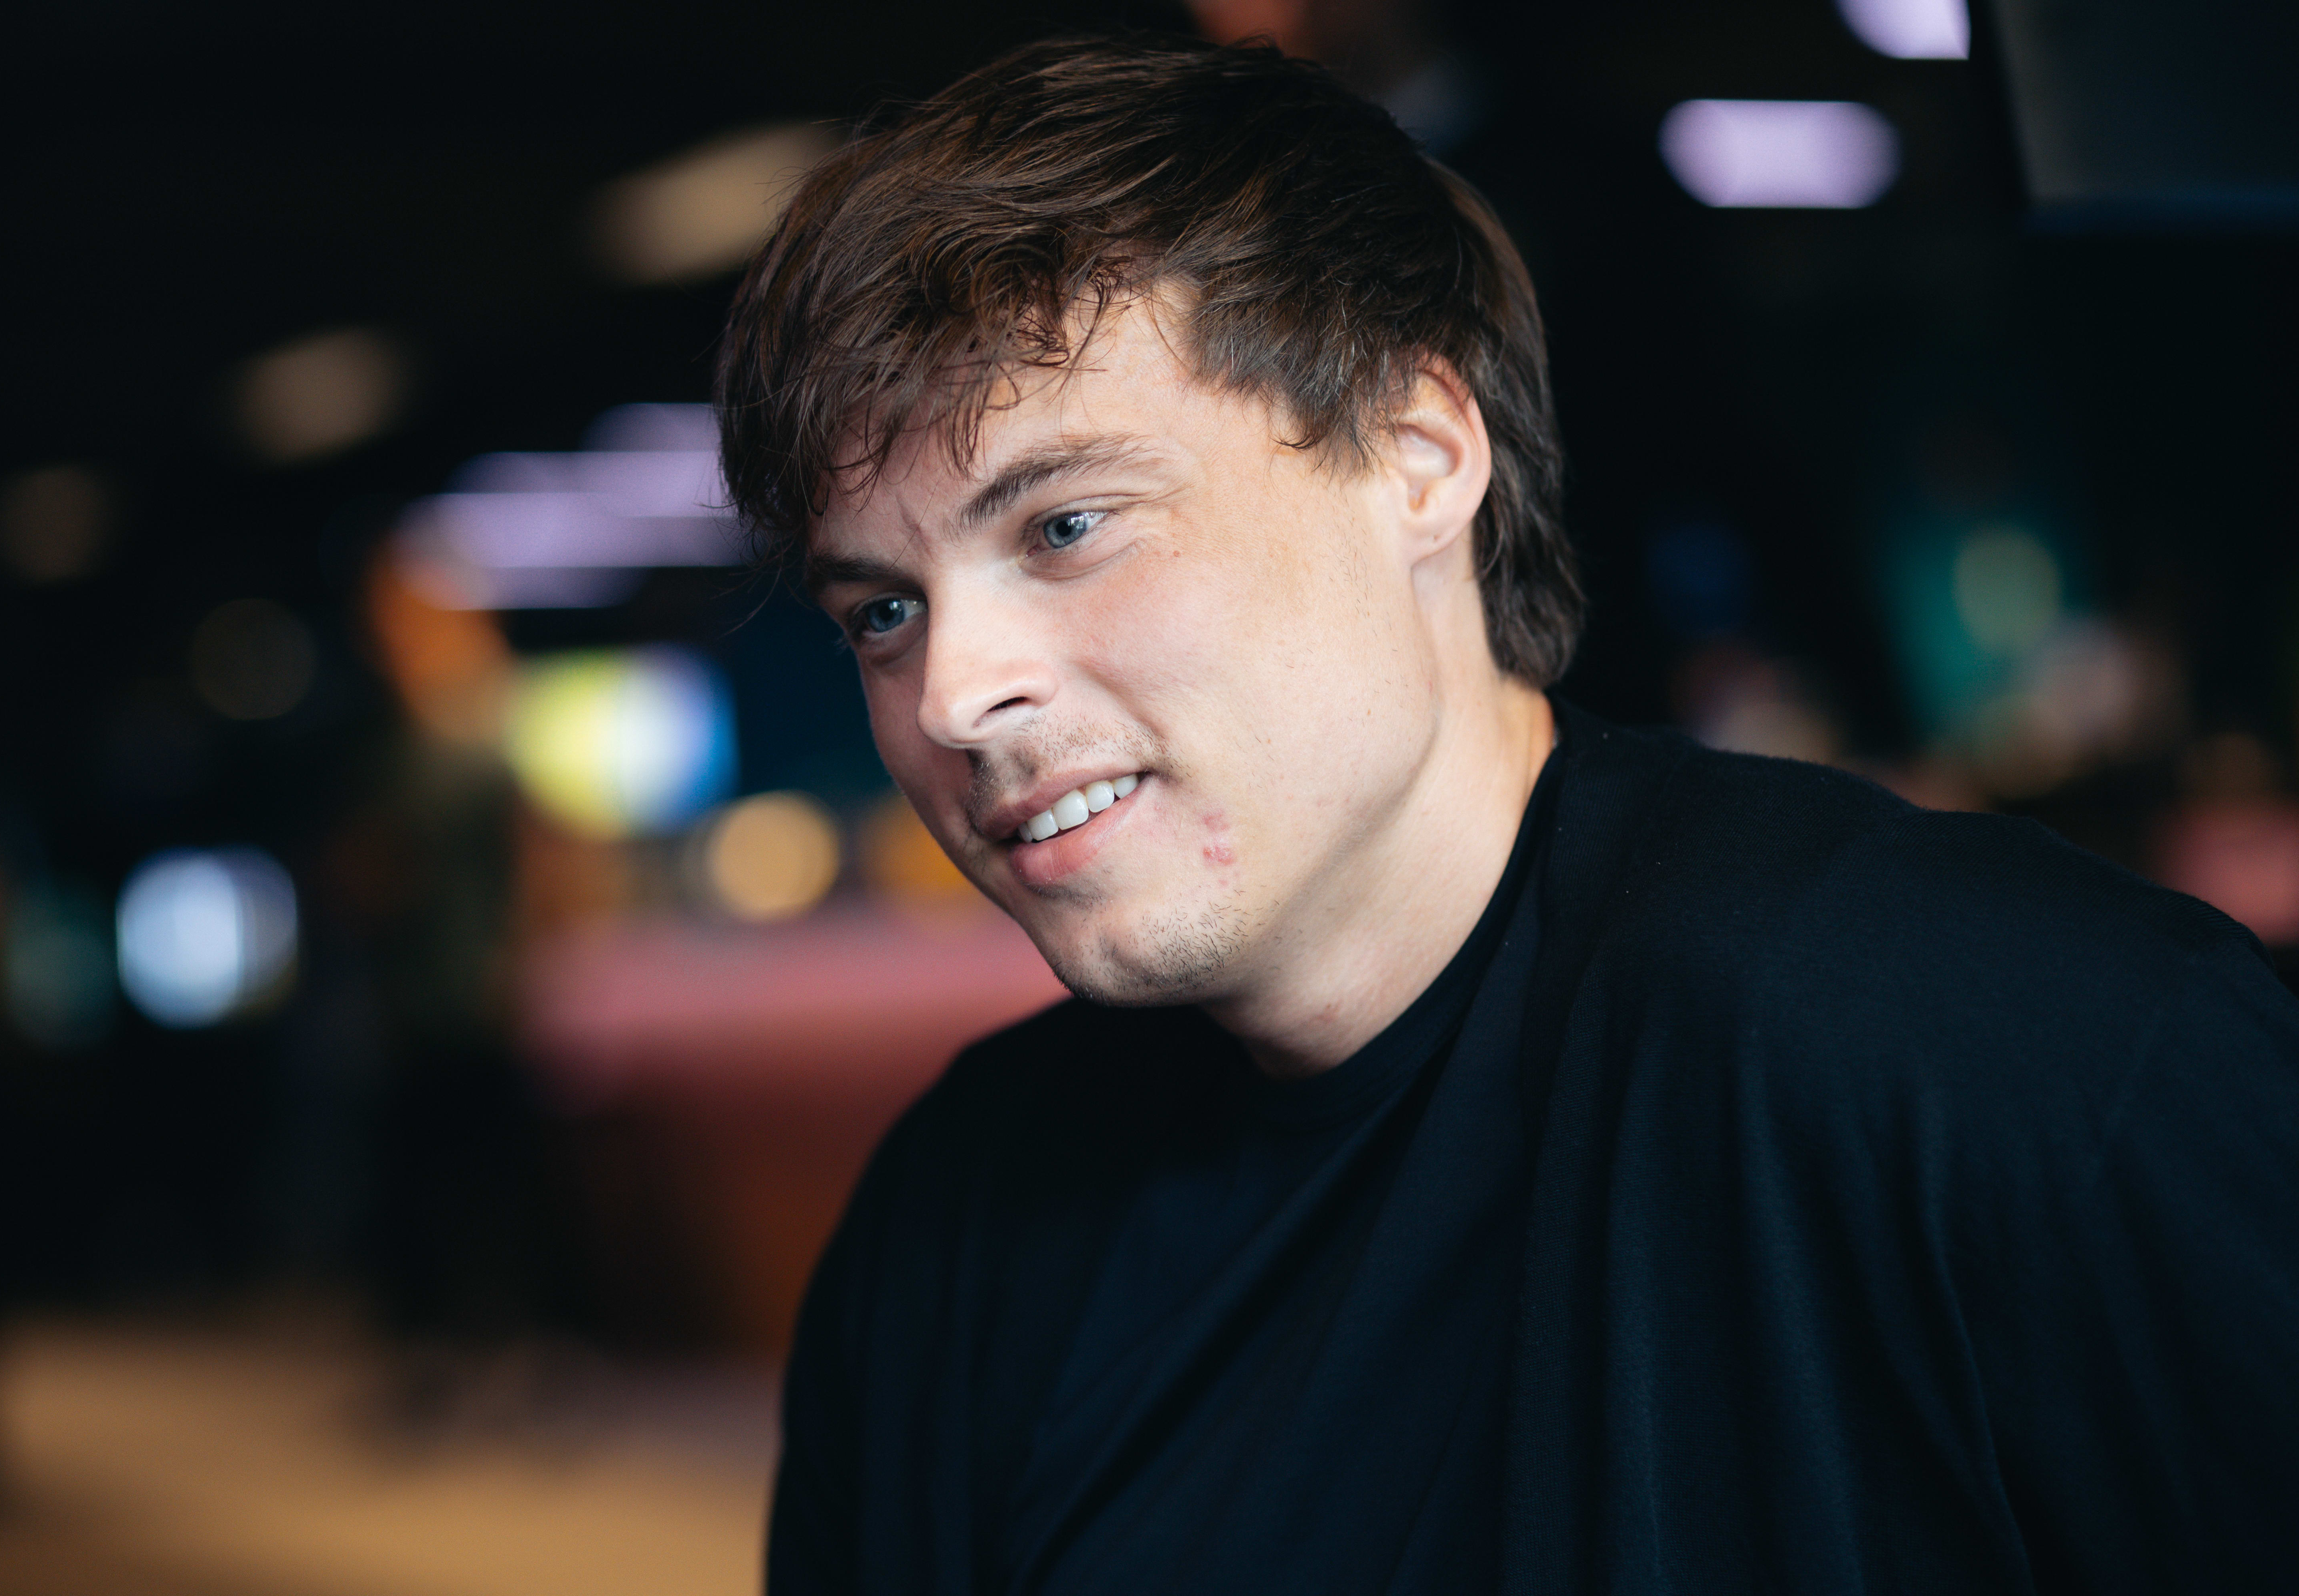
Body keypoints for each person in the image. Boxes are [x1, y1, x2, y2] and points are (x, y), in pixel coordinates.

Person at [712, 35, 2299, 1594]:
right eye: (883, 613)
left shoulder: (2018, 1059)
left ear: (1418, 458)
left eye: (1066, 526)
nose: (951, 696)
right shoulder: (947, 1233)